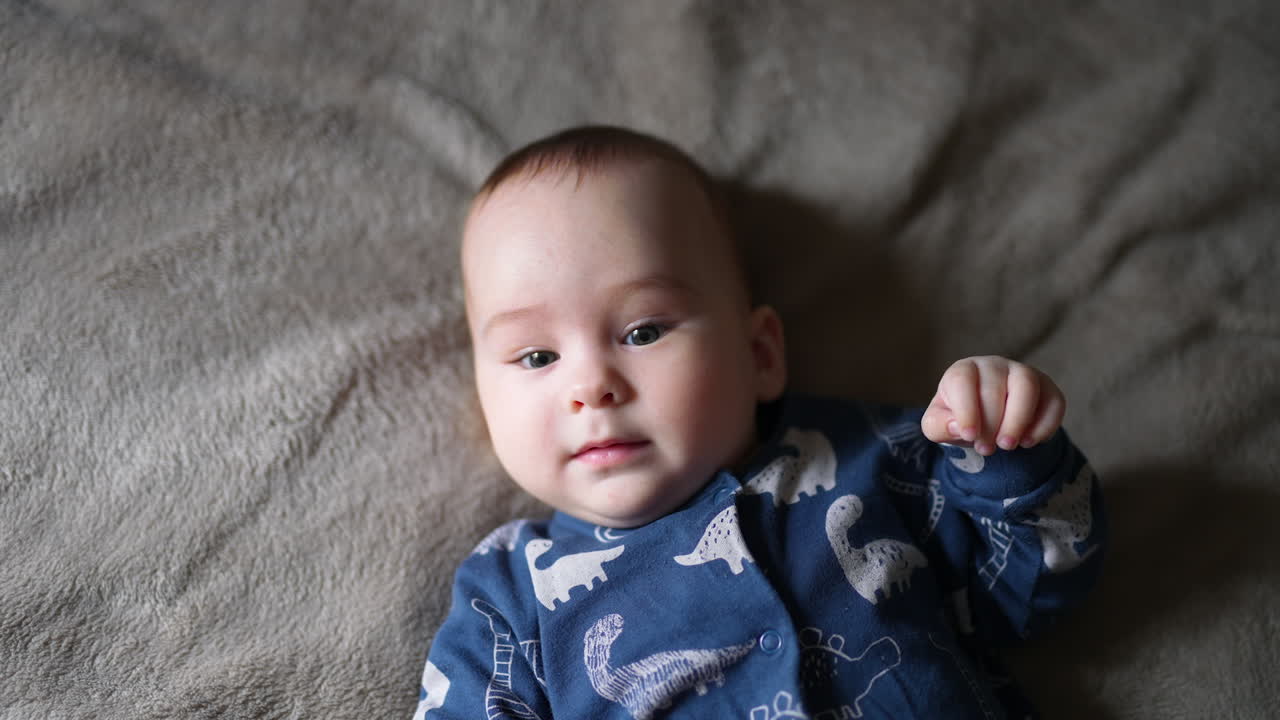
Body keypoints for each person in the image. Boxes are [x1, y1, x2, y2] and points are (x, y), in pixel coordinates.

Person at [411, 125, 1106, 720]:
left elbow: (1037, 591)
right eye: (536, 356)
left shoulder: (882, 457)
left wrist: (1006, 447)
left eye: (644, 331)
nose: (590, 386)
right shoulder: (510, 595)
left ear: (760, 355)